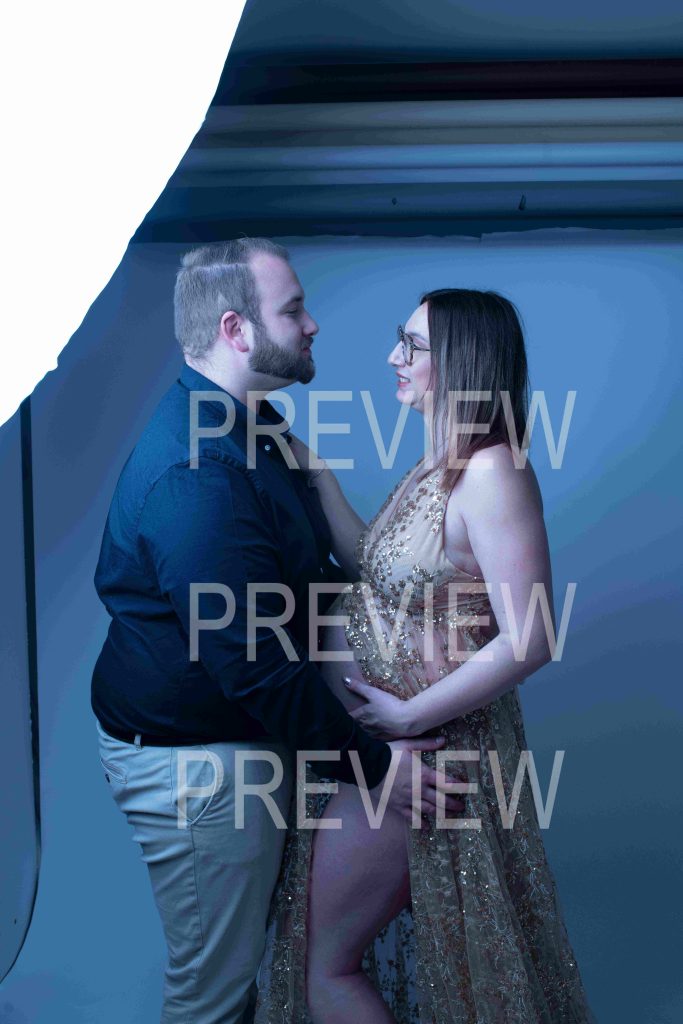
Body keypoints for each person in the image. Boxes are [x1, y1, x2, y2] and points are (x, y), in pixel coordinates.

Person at [91, 239, 460, 1024]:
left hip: (245, 741)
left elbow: (305, 577)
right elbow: (254, 664)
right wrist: (375, 768)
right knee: (215, 996)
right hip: (201, 765)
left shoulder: (253, 427)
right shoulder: (199, 475)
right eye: (293, 310)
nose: (313, 324)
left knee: (263, 966)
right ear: (235, 330)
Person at [255, 289, 597, 1023]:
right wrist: (312, 471)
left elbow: (531, 635)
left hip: (426, 751)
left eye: (411, 345)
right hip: (393, 747)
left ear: (461, 361)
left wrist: (408, 718)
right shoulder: (438, 462)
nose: (393, 357)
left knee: (325, 966)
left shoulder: (493, 472)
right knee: (324, 958)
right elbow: (375, 566)